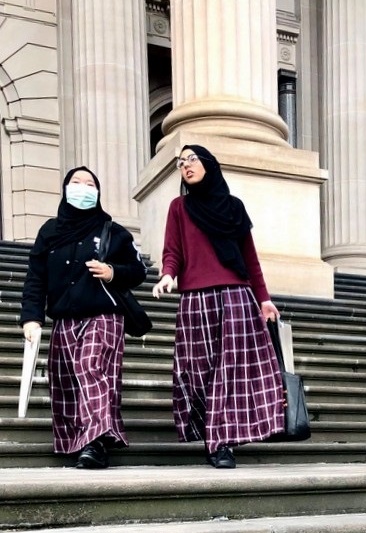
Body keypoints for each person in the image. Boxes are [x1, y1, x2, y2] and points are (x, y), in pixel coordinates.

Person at [152, 145, 285, 468]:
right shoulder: (179, 208)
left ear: (209, 164)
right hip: (195, 299)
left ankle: (220, 442)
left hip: (236, 297)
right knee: (196, 371)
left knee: (230, 372)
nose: (186, 166)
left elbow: (249, 258)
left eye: (192, 159)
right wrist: (168, 275)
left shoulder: (233, 207)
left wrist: (264, 298)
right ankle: (212, 431)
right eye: (181, 162)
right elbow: (172, 250)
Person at [20, 167, 148, 469]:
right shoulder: (49, 232)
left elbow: (138, 270)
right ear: (65, 188)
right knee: (66, 380)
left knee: (92, 368)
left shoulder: (113, 231)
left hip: (104, 314)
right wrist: (31, 317)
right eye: (76, 182)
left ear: (98, 192)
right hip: (65, 318)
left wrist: (113, 272)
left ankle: (96, 442)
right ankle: (77, 440)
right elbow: (35, 278)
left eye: (90, 184)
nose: (83, 187)